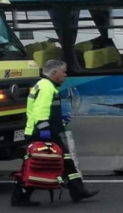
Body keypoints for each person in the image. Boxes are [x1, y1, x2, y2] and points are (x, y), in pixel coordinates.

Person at [11, 59, 99, 206]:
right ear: (54, 73)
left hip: (46, 131)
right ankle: (20, 197)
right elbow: (40, 110)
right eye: (63, 72)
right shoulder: (47, 87)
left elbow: (45, 110)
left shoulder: (45, 85)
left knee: (63, 161)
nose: (65, 75)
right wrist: (44, 129)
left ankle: (77, 191)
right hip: (42, 133)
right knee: (37, 164)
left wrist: (58, 118)